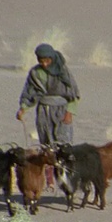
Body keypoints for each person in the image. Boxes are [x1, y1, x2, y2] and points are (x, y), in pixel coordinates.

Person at [16, 43, 80, 190]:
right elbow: (30, 93)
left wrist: (69, 112)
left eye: (47, 60)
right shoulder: (35, 73)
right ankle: (49, 181)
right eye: (41, 60)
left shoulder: (63, 71)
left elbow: (74, 94)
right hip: (43, 112)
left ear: (52, 58)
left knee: (63, 145)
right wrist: (23, 109)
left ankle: (67, 181)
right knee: (46, 145)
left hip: (62, 110)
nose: (44, 64)